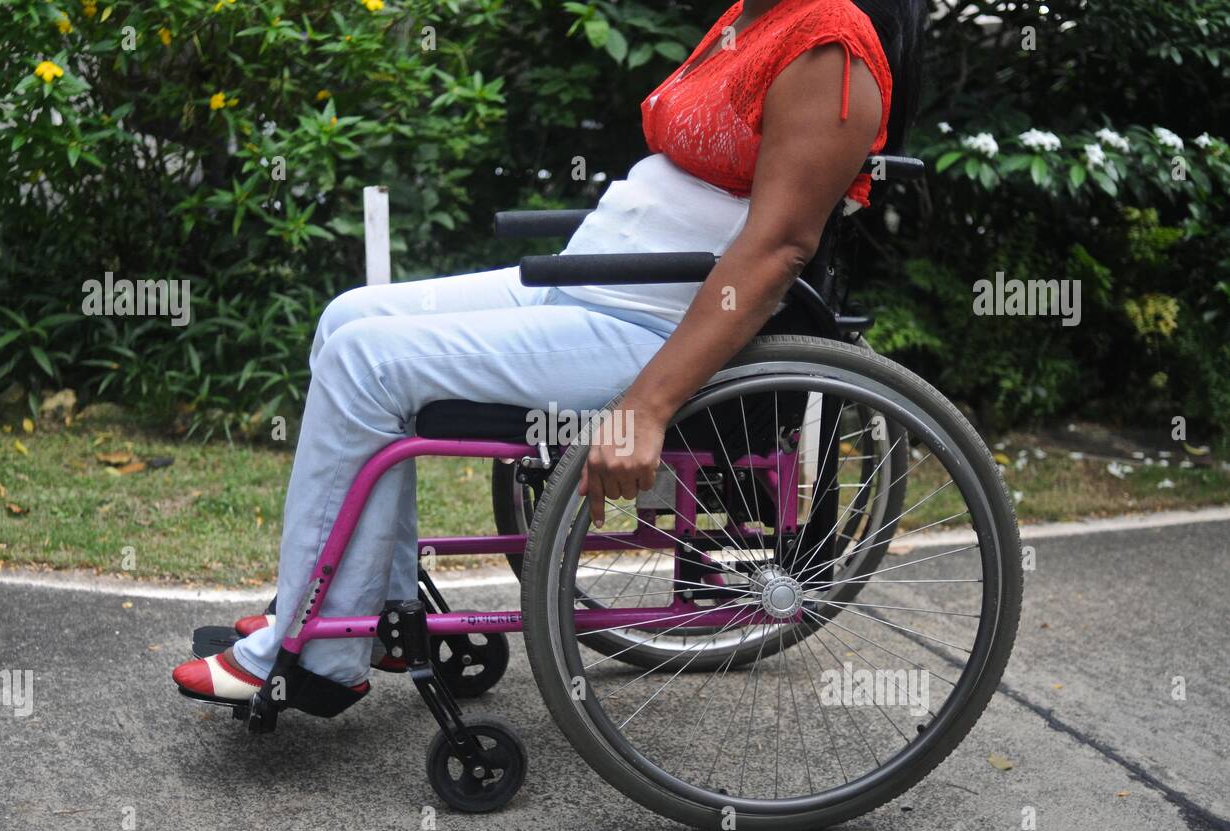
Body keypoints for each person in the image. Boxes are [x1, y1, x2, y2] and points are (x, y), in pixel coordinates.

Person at [172, 0, 925, 702]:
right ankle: (379, 610)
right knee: (347, 318)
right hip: (597, 283)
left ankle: (315, 656)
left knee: (364, 362)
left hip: (651, 325)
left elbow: (779, 247)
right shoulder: (752, 18)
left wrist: (647, 405)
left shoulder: (830, 46)